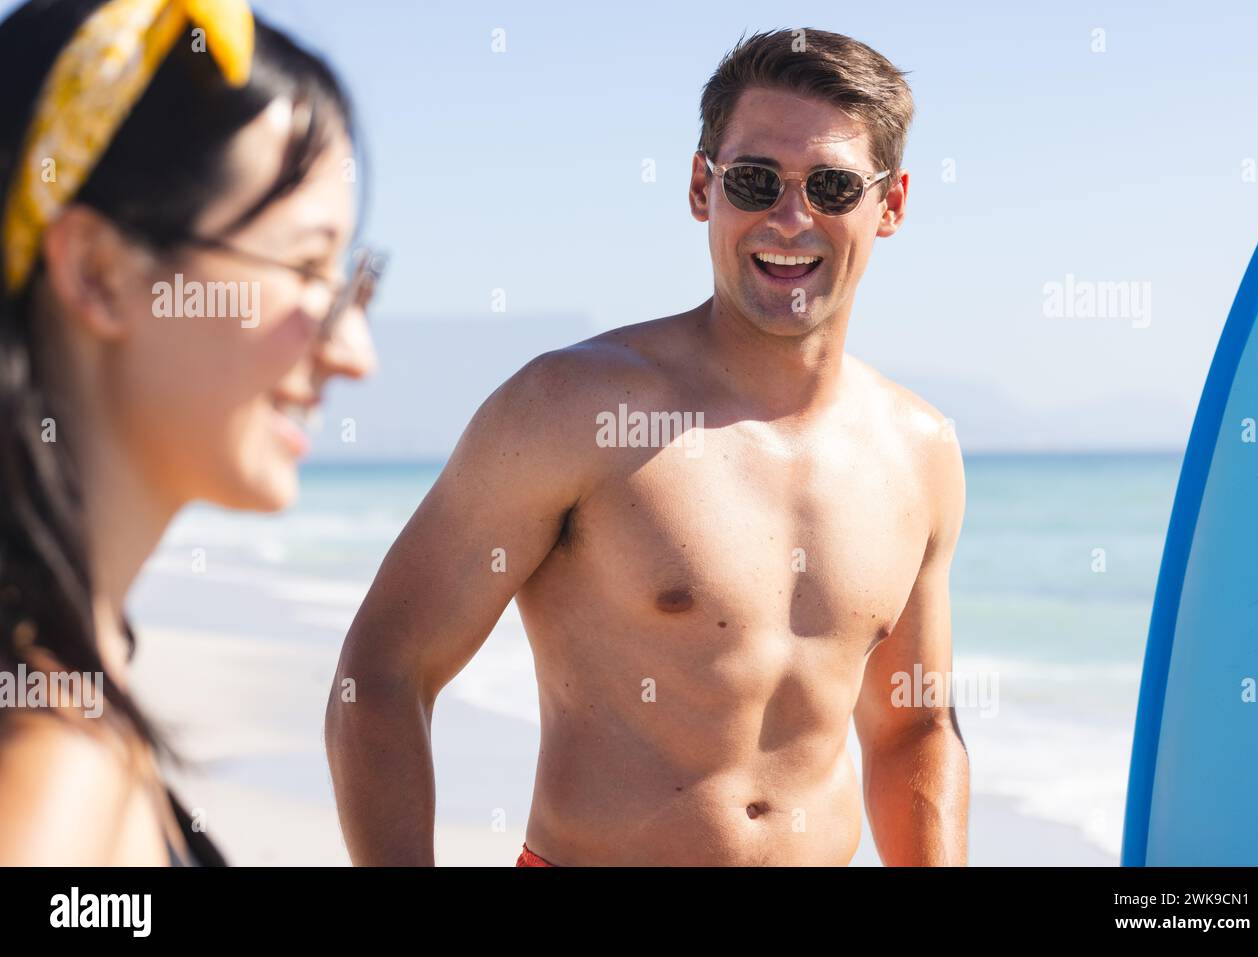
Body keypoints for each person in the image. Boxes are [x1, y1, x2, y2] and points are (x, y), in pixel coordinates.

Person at [326, 28, 967, 866]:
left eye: (834, 186)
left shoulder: (919, 450)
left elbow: (914, 727)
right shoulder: (571, 408)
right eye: (754, 178)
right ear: (703, 187)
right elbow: (381, 673)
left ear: (891, 205)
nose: (789, 216)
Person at [0, 0, 380, 865]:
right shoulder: (51, 756)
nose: (353, 353)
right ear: (99, 274)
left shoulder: (68, 678)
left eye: (353, 283)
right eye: (305, 269)